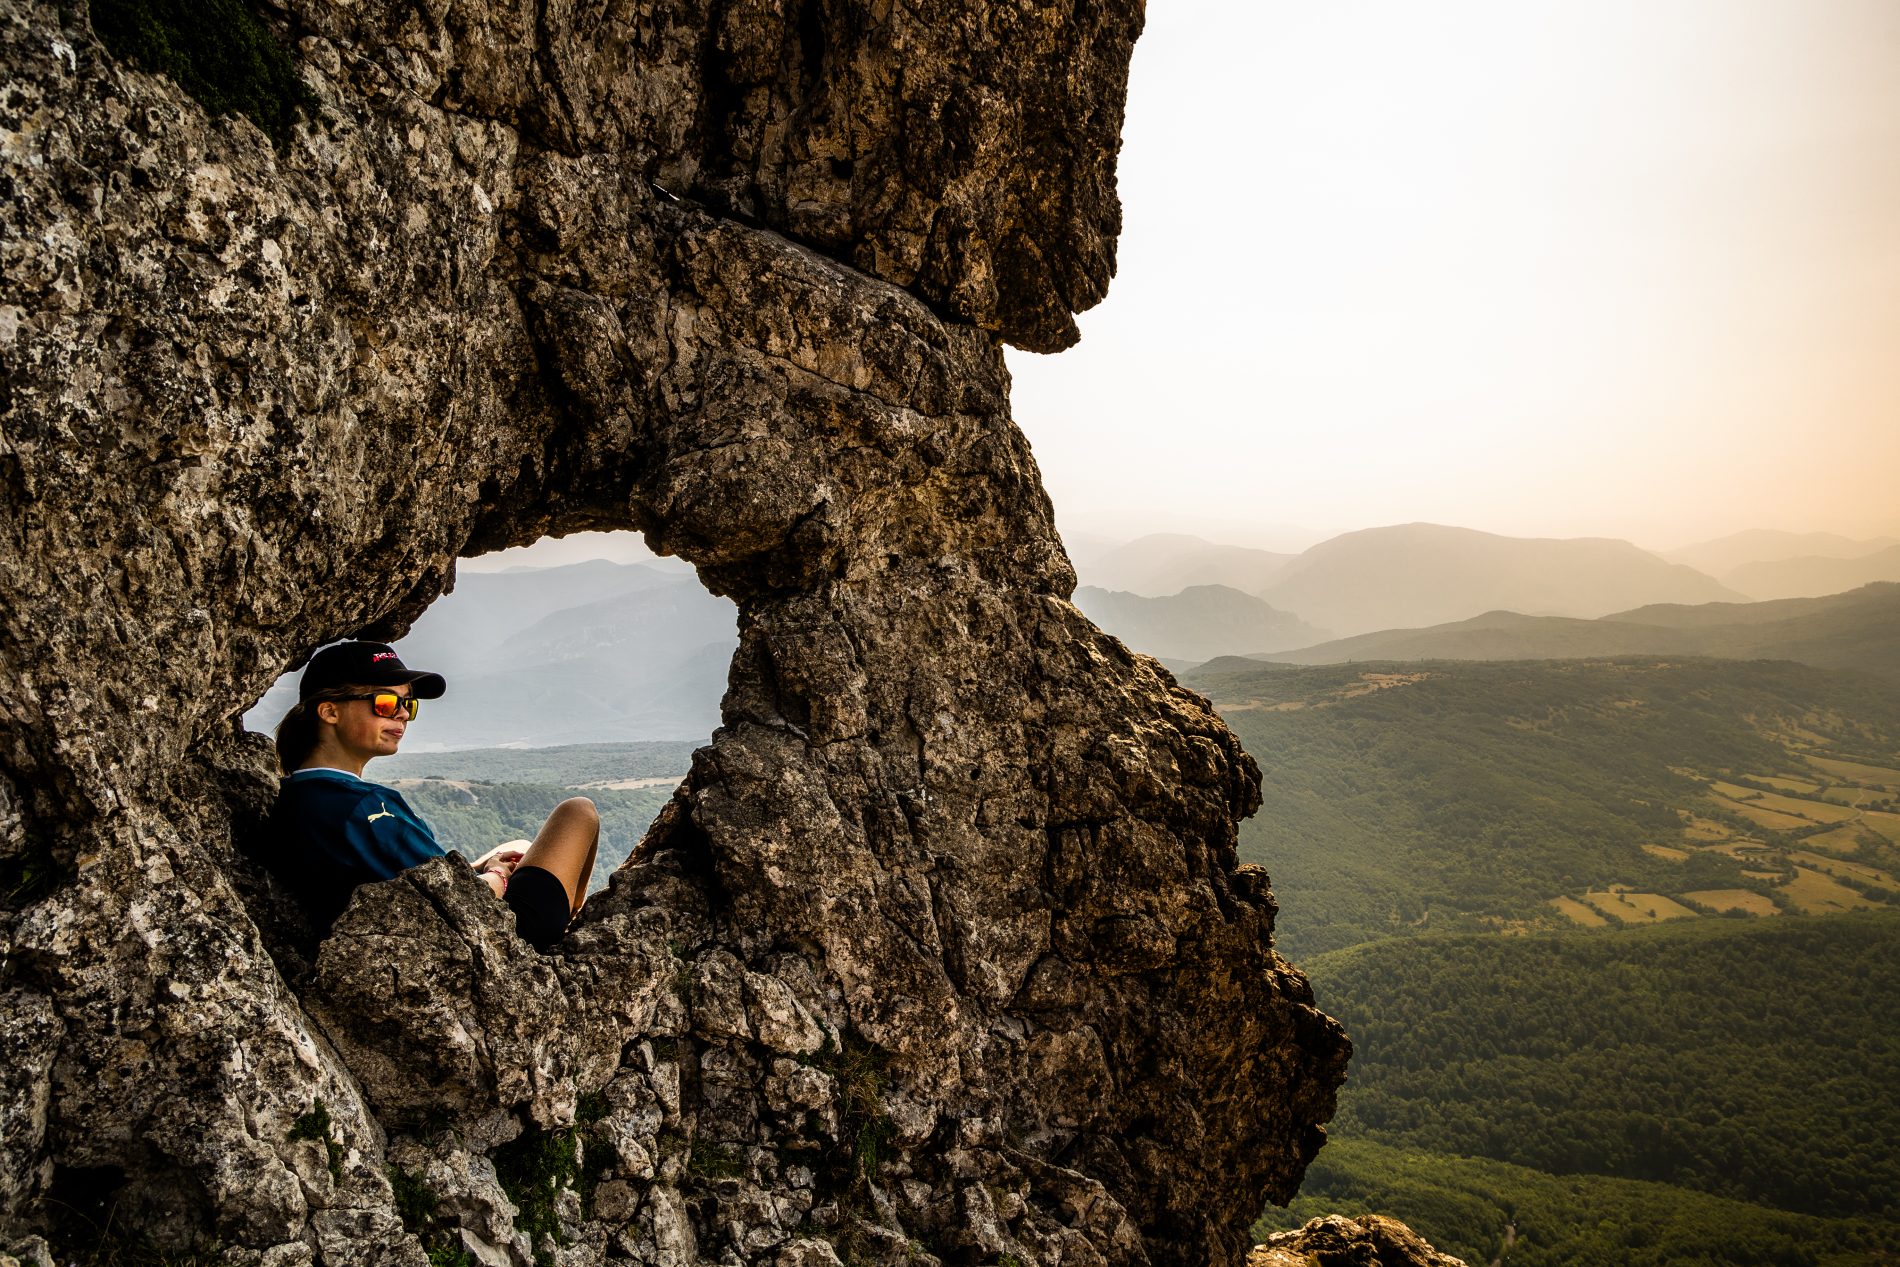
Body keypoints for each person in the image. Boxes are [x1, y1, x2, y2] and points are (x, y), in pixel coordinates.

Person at [265, 640, 598, 952]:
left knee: (515, 848)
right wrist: (497, 875)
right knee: (578, 812)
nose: (402, 714)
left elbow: (411, 881)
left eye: (407, 703)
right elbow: (459, 902)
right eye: (385, 703)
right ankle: (559, 942)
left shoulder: (299, 793)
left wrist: (483, 866)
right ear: (329, 712)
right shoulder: (367, 806)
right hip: (495, 938)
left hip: (398, 936)